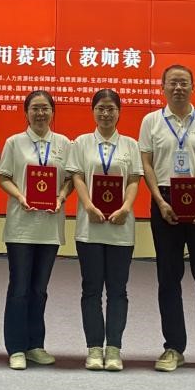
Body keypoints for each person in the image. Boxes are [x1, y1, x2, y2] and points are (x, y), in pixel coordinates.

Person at [139, 64, 195, 375]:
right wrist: (159, 201)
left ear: (193, 87)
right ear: (163, 87)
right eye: (172, 83)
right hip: (166, 202)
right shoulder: (151, 121)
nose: (178, 88)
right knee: (168, 279)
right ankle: (173, 348)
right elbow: (147, 164)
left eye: (183, 83)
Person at [67, 89, 142, 371]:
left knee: (118, 290)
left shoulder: (130, 145)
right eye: (100, 108)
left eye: (111, 108)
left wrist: (126, 208)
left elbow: (134, 180)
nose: (106, 113)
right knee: (91, 289)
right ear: (93, 111)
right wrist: (87, 206)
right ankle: (94, 348)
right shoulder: (82, 143)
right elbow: (77, 177)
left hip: (120, 227)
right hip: (90, 227)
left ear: (119, 112)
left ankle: (114, 349)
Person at [0, 90, 72, 371]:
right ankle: (16, 347)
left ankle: (35, 345)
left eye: (45, 108)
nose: (40, 113)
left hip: (50, 226)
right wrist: (20, 196)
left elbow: (70, 179)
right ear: (26, 112)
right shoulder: (14, 143)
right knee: (19, 288)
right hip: (21, 226)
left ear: (53, 112)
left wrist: (61, 197)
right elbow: (3, 176)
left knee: (39, 289)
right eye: (35, 108)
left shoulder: (64, 144)